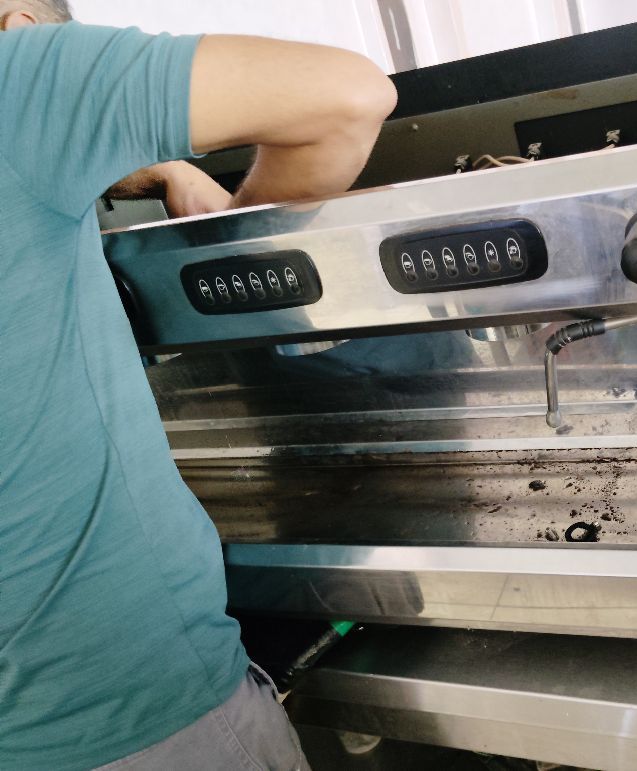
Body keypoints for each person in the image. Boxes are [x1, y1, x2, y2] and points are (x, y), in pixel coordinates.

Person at [0, 1, 397, 768]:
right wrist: (237, 244)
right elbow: (350, 98)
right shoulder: (17, 81)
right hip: (142, 710)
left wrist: (157, 167)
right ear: (25, 27)